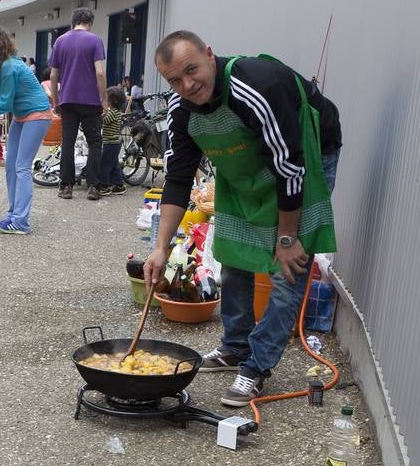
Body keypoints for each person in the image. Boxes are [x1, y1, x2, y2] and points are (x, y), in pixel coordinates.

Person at [143, 30, 342, 407]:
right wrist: (159, 248)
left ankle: (256, 366)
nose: (187, 84)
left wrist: (286, 240)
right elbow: (179, 178)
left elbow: (290, 169)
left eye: (192, 70)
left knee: (288, 271)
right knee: (233, 256)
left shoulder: (255, 87)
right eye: (174, 80)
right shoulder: (181, 110)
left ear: (210, 55)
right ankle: (235, 346)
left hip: (305, 160)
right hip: (244, 168)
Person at [0, 23, 52, 234]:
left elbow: (5, 104)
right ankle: (13, 214)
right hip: (21, 117)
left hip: (37, 115)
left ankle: (21, 222)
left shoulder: (9, 66)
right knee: (11, 166)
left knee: (22, 167)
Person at [47, 7, 107, 200]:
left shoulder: (60, 41)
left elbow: (54, 75)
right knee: (94, 142)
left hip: (68, 99)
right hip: (90, 100)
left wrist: (56, 101)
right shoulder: (95, 40)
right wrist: (103, 100)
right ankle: (93, 186)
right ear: (89, 22)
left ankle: (66, 186)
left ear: (73, 21)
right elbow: (100, 73)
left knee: (68, 142)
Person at [96, 85, 127, 195]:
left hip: (110, 143)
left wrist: (99, 114)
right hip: (115, 143)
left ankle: (104, 186)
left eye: (106, 98)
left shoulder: (113, 112)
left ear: (112, 101)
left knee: (104, 164)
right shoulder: (117, 112)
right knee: (114, 164)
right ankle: (119, 186)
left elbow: (105, 120)